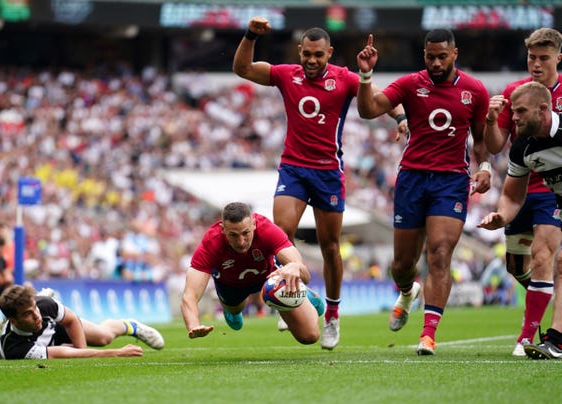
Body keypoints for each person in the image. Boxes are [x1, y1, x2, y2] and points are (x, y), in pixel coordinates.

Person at [232, 16, 406, 350]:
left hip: (328, 172)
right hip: (294, 169)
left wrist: (399, 118)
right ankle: (289, 298)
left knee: (330, 248)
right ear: (300, 51)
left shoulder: (344, 79)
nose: (312, 61)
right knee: (279, 237)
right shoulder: (286, 74)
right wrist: (251, 35)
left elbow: (380, 99)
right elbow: (243, 68)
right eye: (307, 54)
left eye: (319, 55)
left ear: (330, 53)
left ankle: (333, 317)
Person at [356, 29, 492, 355]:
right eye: (429, 56)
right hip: (412, 179)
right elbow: (368, 109)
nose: (434, 62)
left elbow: (482, 139)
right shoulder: (409, 84)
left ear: (454, 54)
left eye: (441, 56)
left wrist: (484, 166)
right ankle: (406, 292)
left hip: (451, 181)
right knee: (402, 264)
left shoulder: (474, 91)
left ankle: (428, 334)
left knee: (441, 253)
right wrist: (365, 75)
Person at [483, 28, 562, 356]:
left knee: (550, 259)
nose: (536, 64)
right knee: (519, 266)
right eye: (532, 57)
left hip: (550, 198)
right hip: (536, 188)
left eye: (544, 58)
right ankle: (547, 314)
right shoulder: (523, 145)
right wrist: (502, 215)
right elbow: (511, 189)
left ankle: (537, 337)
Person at [181, 202, 325, 345]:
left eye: (245, 233)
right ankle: (232, 310)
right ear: (222, 229)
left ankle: (302, 293)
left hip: (270, 279)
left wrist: (296, 267)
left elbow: (305, 274)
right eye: (233, 235)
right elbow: (190, 294)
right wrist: (193, 325)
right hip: (230, 285)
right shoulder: (211, 243)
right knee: (235, 316)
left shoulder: (267, 229)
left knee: (309, 336)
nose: (241, 241)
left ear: (254, 225)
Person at [0, 284, 165, 359]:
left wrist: (82, 352)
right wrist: (117, 352)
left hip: (55, 327)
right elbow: (63, 355)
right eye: (27, 314)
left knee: (103, 338)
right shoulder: (13, 349)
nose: (36, 315)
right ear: (13, 320)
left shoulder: (43, 305)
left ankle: (131, 326)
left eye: (34, 308)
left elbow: (72, 320)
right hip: (41, 345)